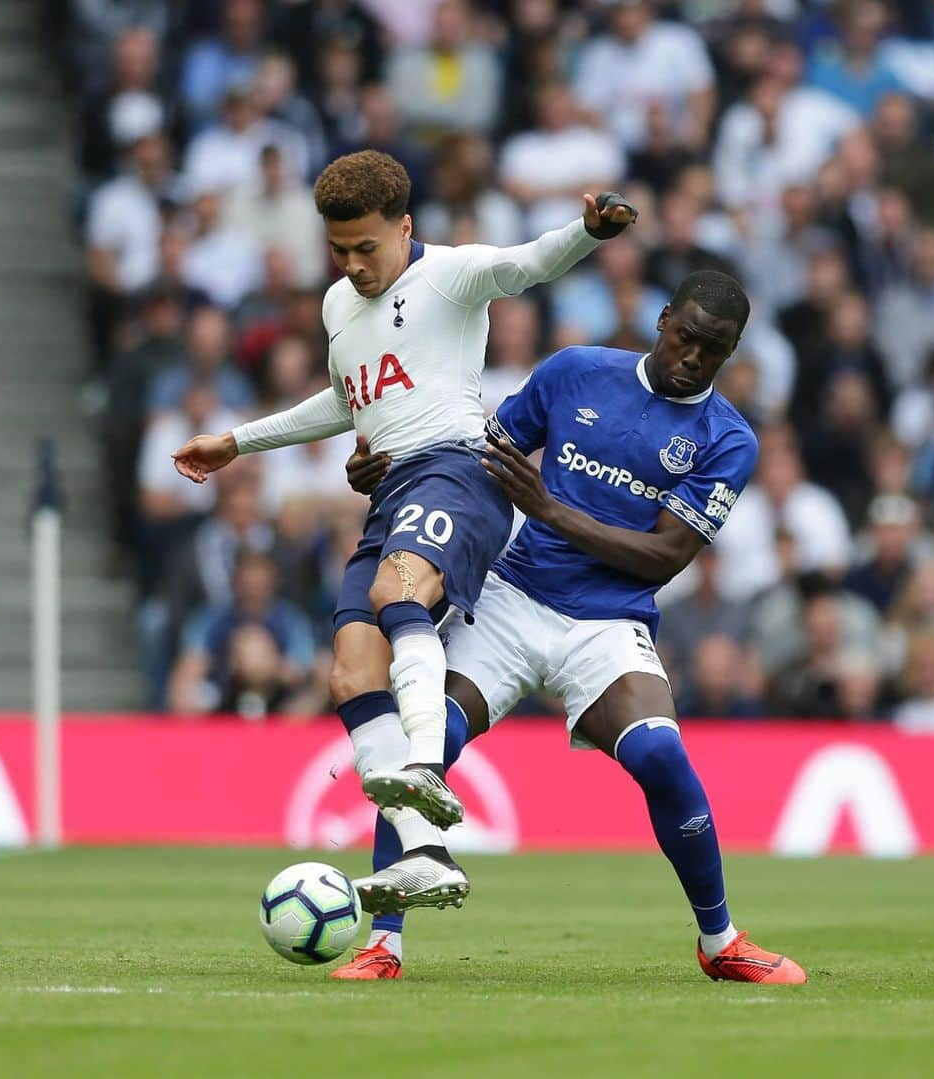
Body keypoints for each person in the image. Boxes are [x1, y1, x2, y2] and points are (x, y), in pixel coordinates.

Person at [334, 271, 806, 986]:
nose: (691, 359)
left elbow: (665, 556)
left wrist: (551, 510)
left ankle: (721, 940)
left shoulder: (727, 439)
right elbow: (480, 463)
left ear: (731, 351)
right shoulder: (576, 371)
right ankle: (384, 945)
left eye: (713, 351)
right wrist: (396, 472)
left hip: (610, 620)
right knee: (424, 748)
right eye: (685, 338)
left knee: (661, 757)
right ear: (663, 317)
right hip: (513, 598)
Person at [171, 150, 636, 858]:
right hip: (391, 495)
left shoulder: (448, 275)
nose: (353, 264)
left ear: (405, 226)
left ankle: (425, 761)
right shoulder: (336, 304)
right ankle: (423, 852)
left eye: (366, 247)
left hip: (459, 473)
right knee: (352, 672)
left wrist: (589, 232)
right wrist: (237, 442)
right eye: (338, 249)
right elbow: (344, 398)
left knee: (398, 589)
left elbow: (527, 264)